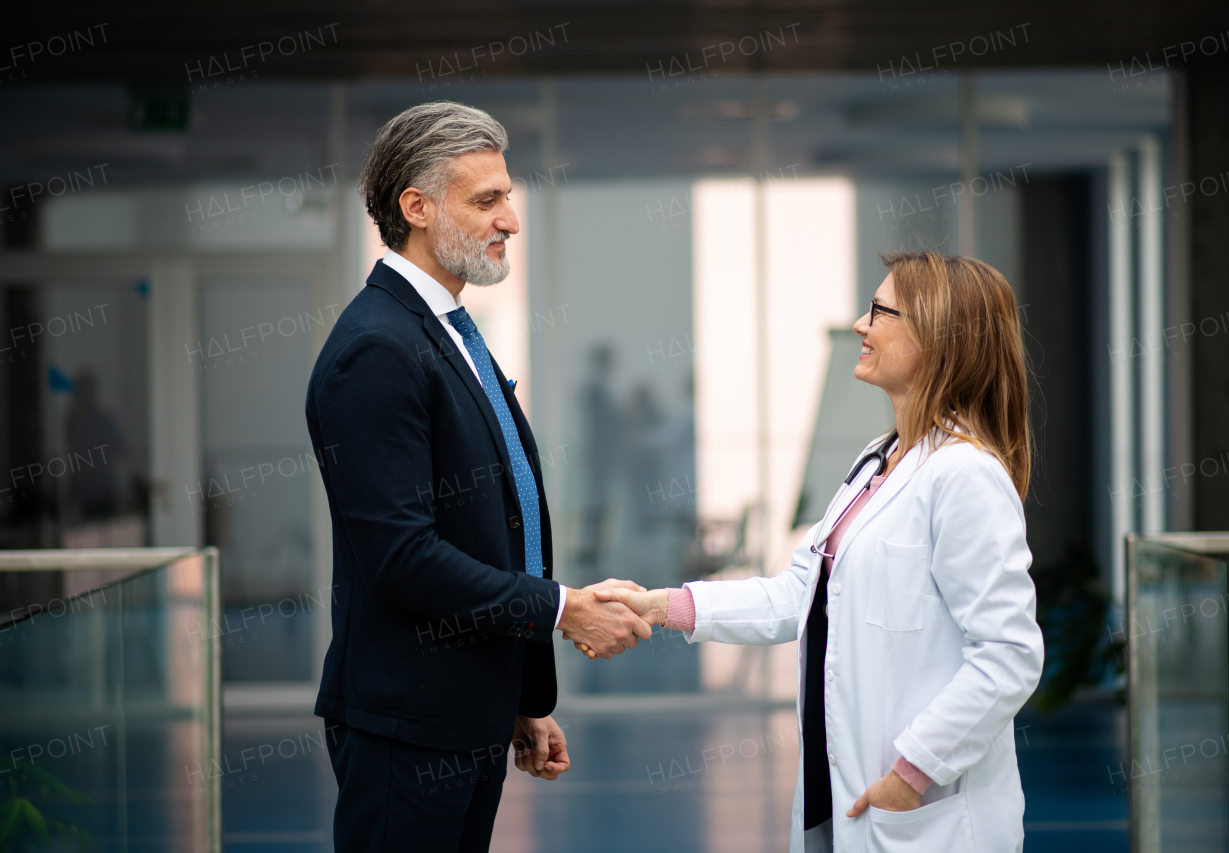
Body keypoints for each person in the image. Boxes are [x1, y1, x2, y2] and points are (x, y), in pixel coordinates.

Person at [595, 251, 1045, 852]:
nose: (860, 324)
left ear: (938, 336)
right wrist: (659, 606)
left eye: (881, 311)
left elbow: (1008, 655)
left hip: (924, 811)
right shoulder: (876, 460)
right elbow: (797, 594)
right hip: (848, 796)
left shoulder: (964, 475)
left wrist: (913, 775)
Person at [305, 101, 651, 853]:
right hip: (407, 723)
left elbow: (500, 528)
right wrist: (562, 610)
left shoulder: (447, 332)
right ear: (417, 208)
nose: (510, 220)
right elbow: (402, 556)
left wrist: (521, 698)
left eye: (508, 197)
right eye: (486, 199)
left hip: (465, 711)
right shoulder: (377, 349)